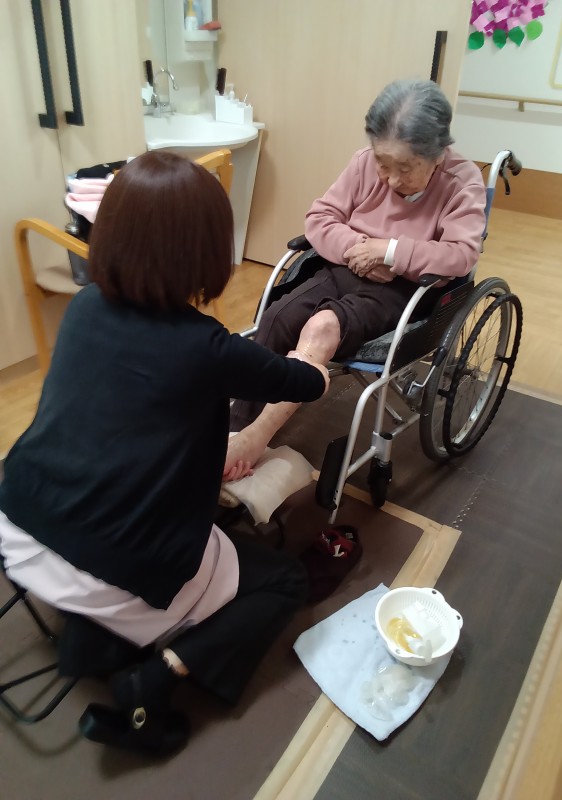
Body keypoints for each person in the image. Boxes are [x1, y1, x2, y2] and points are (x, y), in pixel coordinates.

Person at [0, 151, 329, 756]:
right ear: (204, 253)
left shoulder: (83, 308)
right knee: (283, 579)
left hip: (18, 521)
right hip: (113, 562)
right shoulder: (207, 348)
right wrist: (313, 351)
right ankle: (152, 683)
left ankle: (99, 635)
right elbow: (306, 383)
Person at [226, 78, 487, 477]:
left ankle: (255, 436)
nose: (391, 179)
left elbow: (461, 254)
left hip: (403, 290)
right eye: (383, 163)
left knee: (322, 327)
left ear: (438, 155)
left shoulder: (461, 181)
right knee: (276, 317)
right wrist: (358, 247)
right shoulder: (364, 162)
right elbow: (320, 218)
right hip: (345, 267)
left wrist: (390, 251)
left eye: (405, 168)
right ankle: (235, 425)